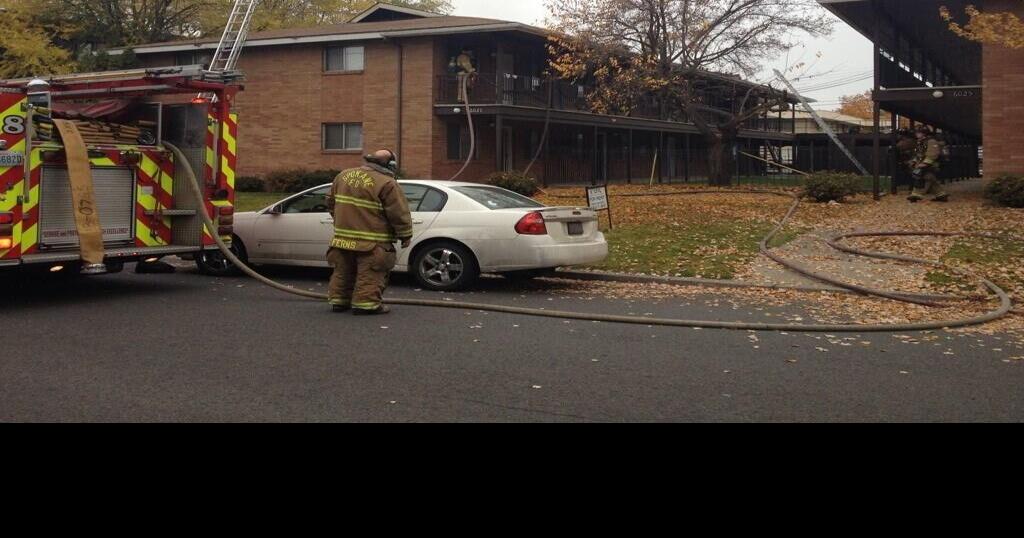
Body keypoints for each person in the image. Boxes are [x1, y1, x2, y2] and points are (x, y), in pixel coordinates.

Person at [326, 149, 414, 315]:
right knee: (371, 273)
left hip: (342, 239)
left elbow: (331, 201)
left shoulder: (343, 176)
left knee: (343, 271)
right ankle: (366, 305)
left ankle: (339, 301)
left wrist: (342, 219)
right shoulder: (387, 183)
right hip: (372, 242)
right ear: (391, 164)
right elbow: (398, 212)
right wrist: (405, 235)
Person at [907, 126, 948, 203]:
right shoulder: (921, 142)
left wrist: (924, 164)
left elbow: (933, 154)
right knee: (931, 178)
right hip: (924, 163)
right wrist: (913, 161)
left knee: (924, 177)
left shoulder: (931, 141)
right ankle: (941, 195)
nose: (916, 134)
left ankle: (916, 195)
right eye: (916, 132)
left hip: (932, 164)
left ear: (924, 133)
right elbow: (919, 154)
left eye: (918, 132)